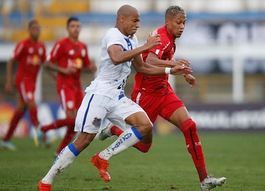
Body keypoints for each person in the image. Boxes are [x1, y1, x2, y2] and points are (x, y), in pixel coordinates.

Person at [37, 5, 191, 191]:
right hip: (100, 94)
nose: (137, 24)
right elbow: (117, 57)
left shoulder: (132, 39)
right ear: (122, 20)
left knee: (145, 125)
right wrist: (146, 46)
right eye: (134, 21)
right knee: (84, 140)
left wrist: (169, 70)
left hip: (117, 95)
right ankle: (46, 180)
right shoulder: (113, 35)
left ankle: (103, 156)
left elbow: (142, 68)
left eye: (139, 21)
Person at [99, 5, 226, 191]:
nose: (182, 26)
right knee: (143, 146)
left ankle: (204, 180)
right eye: (178, 22)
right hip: (146, 94)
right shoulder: (162, 37)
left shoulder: (170, 38)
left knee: (189, 126)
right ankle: (113, 129)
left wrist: (183, 72)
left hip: (164, 92)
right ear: (168, 22)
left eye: (184, 23)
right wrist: (175, 64)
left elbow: (166, 64)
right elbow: (149, 61)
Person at [40, 17, 96, 155]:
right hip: (65, 86)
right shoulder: (61, 44)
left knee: (76, 122)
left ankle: (59, 152)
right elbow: (47, 63)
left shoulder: (83, 47)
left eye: (78, 26)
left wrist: (91, 67)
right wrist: (63, 71)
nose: (75, 29)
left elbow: (85, 66)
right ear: (67, 28)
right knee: (71, 119)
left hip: (77, 85)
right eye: (72, 26)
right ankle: (45, 129)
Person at [0, 19, 46, 150]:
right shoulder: (23, 44)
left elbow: (45, 63)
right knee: (31, 101)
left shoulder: (41, 46)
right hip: (23, 80)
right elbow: (11, 61)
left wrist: (57, 74)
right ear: (29, 30)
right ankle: (38, 129)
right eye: (34, 28)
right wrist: (9, 81)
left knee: (20, 111)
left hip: (32, 82)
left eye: (38, 28)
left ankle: (6, 139)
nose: (36, 31)